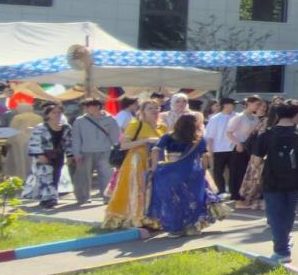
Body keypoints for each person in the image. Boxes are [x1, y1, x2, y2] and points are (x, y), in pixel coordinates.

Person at [250, 100, 298, 262]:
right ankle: (285, 239)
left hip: (272, 179)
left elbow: (256, 161)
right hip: (295, 179)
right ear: (296, 114)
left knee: (275, 214)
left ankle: (282, 250)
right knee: (289, 212)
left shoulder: (267, 134)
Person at [148, 111, 223, 235]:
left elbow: (156, 150)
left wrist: (155, 167)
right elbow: (204, 156)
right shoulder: (199, 140)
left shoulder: (168, 137)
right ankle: (192, 226)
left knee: (173, 199)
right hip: (193, 173)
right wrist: (203, 172)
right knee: (193, 199)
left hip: (171, 172)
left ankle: (176, 228)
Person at [101, 101, 166, 230]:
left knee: (154, 190)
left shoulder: (162, 127)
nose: (154, 111)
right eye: (150, 108)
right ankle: (135, 218)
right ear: (142, 111)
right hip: (137, 161)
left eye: (156, 108)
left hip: (156, 162)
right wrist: (145, 140)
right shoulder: (136, 124)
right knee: (137, 189)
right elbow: (124, 145)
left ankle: (153, 218)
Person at [67, 97, 121, 204]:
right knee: (83, 175)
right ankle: (83, 197)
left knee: (106, 174)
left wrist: (114, 148)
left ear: (98, 106)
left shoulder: (110, 119)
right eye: (87, 107)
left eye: (91, 106)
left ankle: (107, 196)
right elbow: (76, 138)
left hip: (105, 150)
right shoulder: (80, 121)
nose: (88, 109)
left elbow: (116, 136)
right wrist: (76, 153)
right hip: (85, 151)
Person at [21, 103, 70, 210]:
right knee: (46, 177)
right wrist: (39, 155)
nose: (57, 115)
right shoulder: (41, 128)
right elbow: (34, 142)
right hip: (44, 155)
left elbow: (68, 143)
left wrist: (70, 155)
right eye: (54, 112)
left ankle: (48, 197)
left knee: (56, 176)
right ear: (48, 114)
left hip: (59, 155)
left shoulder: (66, 128)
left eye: (59, 112)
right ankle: (50, 199)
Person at [225, 96, 264, 208]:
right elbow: (229, 132)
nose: (258, 107)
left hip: (251, 147)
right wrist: (238, 143)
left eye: (259, 105)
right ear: (248, 104)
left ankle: (247, 195)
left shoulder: (255, 118)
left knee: (248, 172)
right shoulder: (239, 117)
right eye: (256, 104)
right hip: (240, 146)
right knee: (237, 172)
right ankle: (237, 197)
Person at [204, 99, 238, 196]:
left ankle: (233, 191)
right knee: (218, 171)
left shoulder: (236, 116)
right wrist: (210, 151)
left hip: (233, 148)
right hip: (219, 149)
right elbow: (210, 136)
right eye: (232, 104)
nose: (233, 106)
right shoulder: (215, 118)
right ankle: (221, 190)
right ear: (225, 105)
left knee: (233, 171)